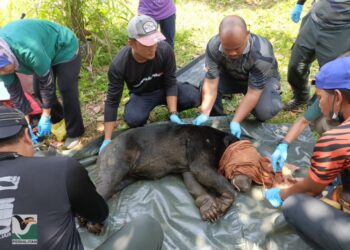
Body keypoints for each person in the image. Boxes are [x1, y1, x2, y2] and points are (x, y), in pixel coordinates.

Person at [0, 106, 164, 250]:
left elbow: (20, 233)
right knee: (146, 226)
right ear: (27, 137)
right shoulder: (60, 168)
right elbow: (98, 213)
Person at [264, 56, 350, 249]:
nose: (319, 104)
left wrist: (282, 193)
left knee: (294, 205)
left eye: (320, 97)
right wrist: (284, 144)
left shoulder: (337, 140)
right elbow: (304, 120)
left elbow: (311, 189)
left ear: (337, 96)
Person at [99, 15, 200, 154]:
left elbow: (170, 82)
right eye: (147, 44)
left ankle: (172, 112)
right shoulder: (119, 65)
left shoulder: (165, 50)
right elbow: (112, 101)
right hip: (142, 94)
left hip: (164, 88)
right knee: (133, 119)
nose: (152, 47)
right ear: (132, 43)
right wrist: (108, 139)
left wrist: (173, 113)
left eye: (155, 41)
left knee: (193, 96)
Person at [192, 15, 282, 138]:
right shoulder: (214, 46)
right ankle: (217, 117)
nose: (232, 53)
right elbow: (211, 82)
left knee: (264, 111)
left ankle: (258, 105)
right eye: (227, 49)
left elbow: (253, 92)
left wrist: (236, 120)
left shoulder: (262, 54)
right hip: (231, 75)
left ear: (247, 35)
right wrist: (205, 112)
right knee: (204, 85)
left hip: (261, 81)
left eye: (237, 48)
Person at [0, 19, 85, 149]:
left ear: (7, 57)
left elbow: (47, 83)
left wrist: (45, 115)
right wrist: (25, 123)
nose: (2, 72)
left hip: (63, 47)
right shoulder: (4, 62)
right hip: (44, 52)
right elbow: (15, 93)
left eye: (2, 68)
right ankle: (59, 120)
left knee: (66, 88)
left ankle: (75, 132)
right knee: (38, 92)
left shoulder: (27, 50)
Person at [284, 0, 350, 110]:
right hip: (314, 20)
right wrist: (300, 4)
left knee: (329, 75)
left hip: (340, 30)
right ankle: (301, 96)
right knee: (295, 65)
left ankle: (318, 107)